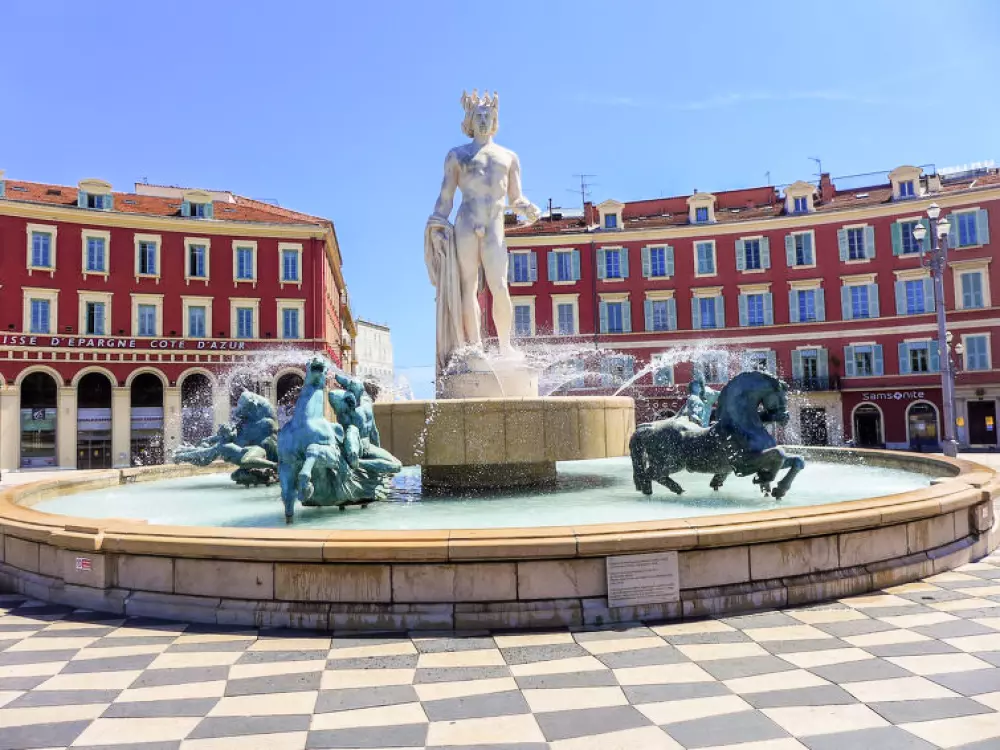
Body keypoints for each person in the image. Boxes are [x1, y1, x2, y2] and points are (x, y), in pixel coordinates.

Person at [425, 90, 541, 374]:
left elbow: (516, 197)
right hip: (466, 223)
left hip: (494, 226)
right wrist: (438, 224)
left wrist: (529, 208)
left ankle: (504, 346)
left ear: (495, 120)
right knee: (468, 288)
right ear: (469, 119)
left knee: (499, 285)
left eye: (488, 115)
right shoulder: (458, 156)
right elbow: (445, 198)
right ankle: (474, 348)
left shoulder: (508, 157)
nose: (483, 119)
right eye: (478, 115)